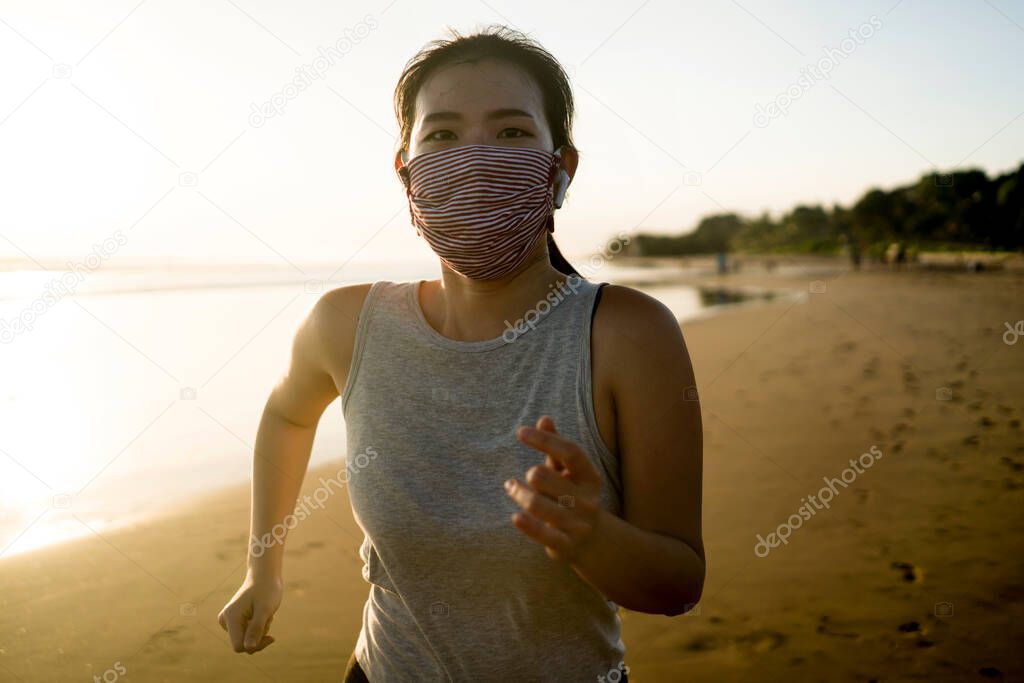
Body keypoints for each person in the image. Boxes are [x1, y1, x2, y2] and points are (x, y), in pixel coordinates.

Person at [218, 25, 705, 682]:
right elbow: (286, 415)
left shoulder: (628, 335)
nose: (475, 162)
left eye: (510, 134)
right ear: (406, 172)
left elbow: (678, 583)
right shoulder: (345, 324)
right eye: (443, 135)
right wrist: (262, 569)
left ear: (561, 170)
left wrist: (594, 540)